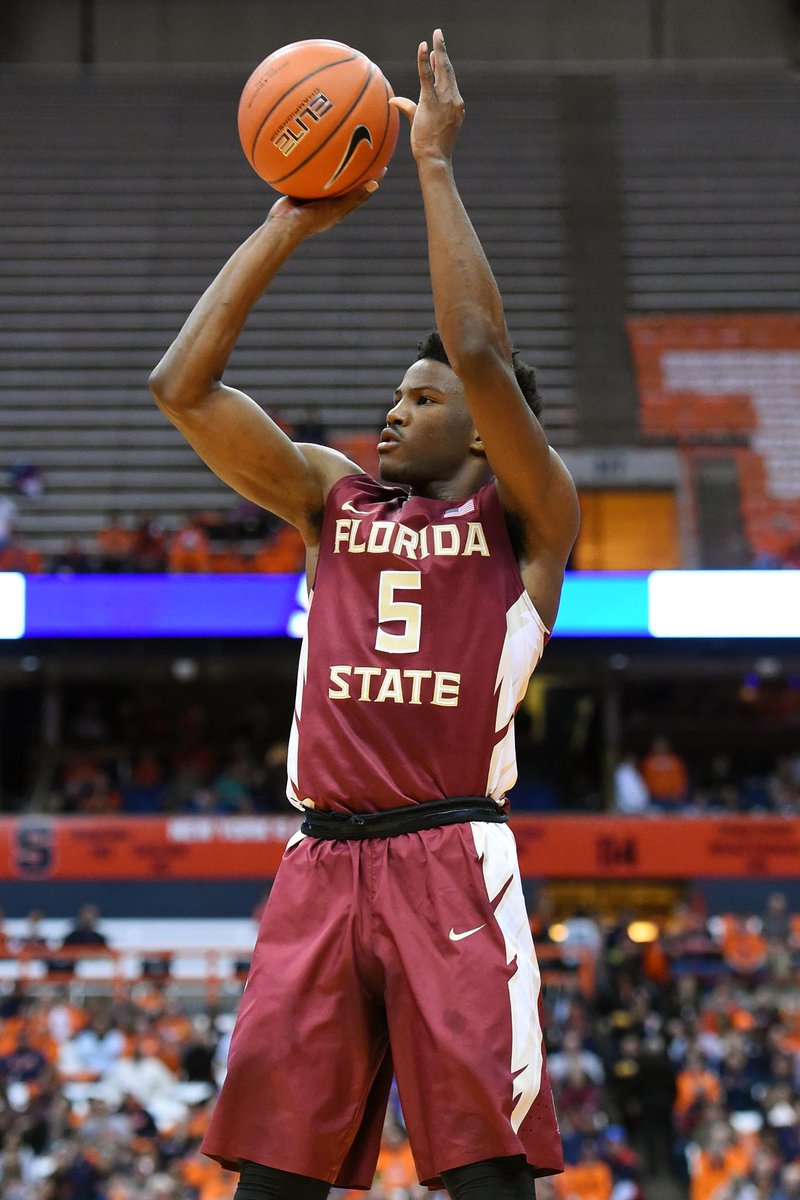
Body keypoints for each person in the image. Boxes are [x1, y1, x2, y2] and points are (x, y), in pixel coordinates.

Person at [149, 29, 578, 1200]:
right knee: (271, 1183)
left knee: (485, 1176)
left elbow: (477, 345)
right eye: (394, 393)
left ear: (483, 428)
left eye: (421, 398)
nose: (391, 411)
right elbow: (181, 387)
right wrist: (288, 221)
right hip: (321, 862)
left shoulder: (528, 520)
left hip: (451, 859)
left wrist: (429, 161)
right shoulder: (329, 500)